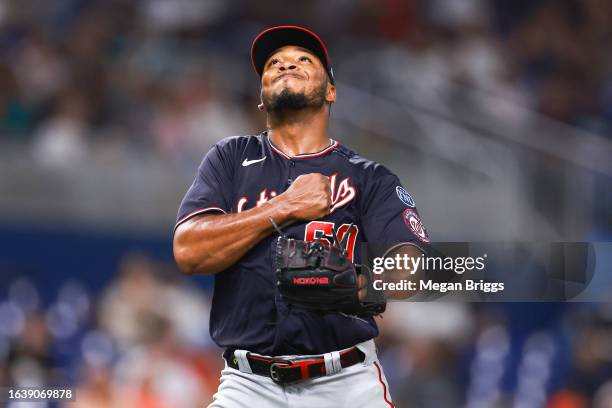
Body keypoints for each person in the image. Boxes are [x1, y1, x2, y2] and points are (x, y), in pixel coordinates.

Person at [173, 25, 431, 408]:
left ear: (331, 91)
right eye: (273, 63)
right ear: (261, 98)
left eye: (303, 60)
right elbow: (188, 250)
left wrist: (358, 283)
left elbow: (418, 269)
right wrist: (283, 207)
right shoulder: (229, 159)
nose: (286, 64)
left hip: (346, 383)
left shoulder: (368, 177)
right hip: (247, 386)